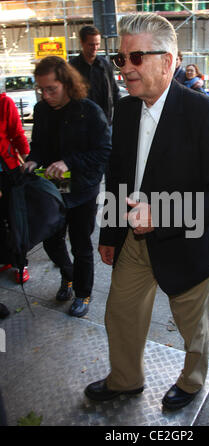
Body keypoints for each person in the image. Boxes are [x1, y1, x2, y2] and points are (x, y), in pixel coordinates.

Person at [84, 13, 209, 410]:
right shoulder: (124, 111)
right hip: (133, 242)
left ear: (169, 60)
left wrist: (164, 215)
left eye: (136, 58)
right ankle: (125, 379)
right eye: (121, 59)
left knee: (194, 330)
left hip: (187, 243)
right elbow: (117, 177)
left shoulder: (204, 113)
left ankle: (191, 383)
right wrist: (109, 233)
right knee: (119, 315)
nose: (126, 68)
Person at [23, 56, 111, 318]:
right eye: (42, 89)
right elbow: (37, 144)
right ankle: (68, 275)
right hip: (53, 186)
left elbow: (104, 151)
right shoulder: (41, 111)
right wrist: (32, 160)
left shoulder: (89, 110)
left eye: (52, 89)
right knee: (50, 240)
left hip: (84, 188)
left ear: (67, 83)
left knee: (81, 244)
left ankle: (83, 293)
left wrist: (69, 162)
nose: (46, 95)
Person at [0, 89, 31, 286]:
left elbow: (18, 134)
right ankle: (5, 257)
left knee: (14, 218)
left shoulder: (5, 103)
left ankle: (21, 264)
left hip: (7, 171)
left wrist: (28, 161)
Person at [69, 25, 121, 126]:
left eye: (97, 44)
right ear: (82, 43)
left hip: (104, 121)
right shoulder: (72, 67)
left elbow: (114, 91)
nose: (95, 48)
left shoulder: (105, 65)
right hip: (80, 123)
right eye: (91, 44)